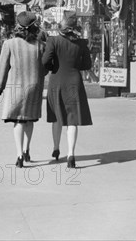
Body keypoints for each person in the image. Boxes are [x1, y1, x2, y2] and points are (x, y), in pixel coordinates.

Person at [0, 12, 47, 168]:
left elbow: (3, 67)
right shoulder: (40, 45)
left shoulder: (9, 44)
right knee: (29, 119)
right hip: (34, 87)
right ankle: (27, 149)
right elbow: (44, 69)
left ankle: (19, 156)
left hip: (16, 88)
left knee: (18, 120)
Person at [42, 16, 92, 169]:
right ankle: (71, 154)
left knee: (56, 117)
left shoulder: (53, 41)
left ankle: (56, 148)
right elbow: (87, 64)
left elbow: (45, 61)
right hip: (74, 82)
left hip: (56, 81)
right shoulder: (82, 43)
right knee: (72, 119)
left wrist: (53, 67)